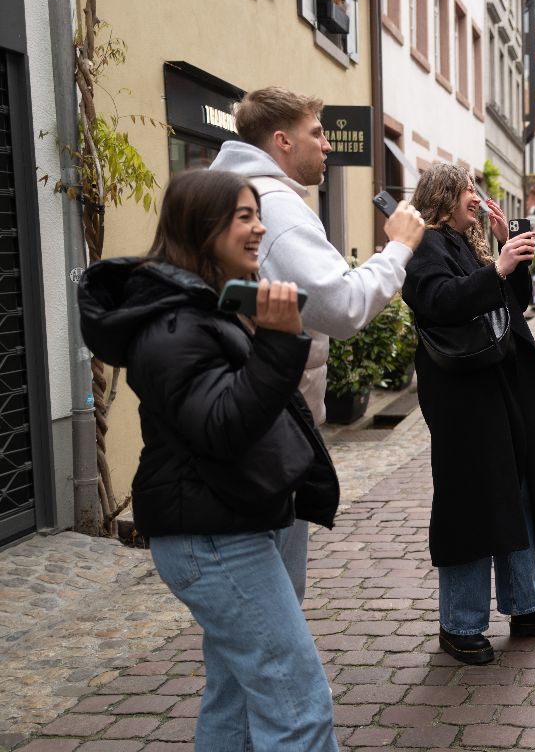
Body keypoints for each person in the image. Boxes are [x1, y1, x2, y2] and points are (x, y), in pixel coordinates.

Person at [77, 169, 340, 751]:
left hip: (225, 521)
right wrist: (278, 340)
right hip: (213, 537)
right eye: (243, 217)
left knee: (240, 696)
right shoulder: (175, 325)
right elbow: (222, 427)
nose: (259, 228)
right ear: (203, 228)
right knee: (298, 705)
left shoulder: (200, 308)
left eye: (257, 214)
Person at [210, 86, 425, 603]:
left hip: (243, 416)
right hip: (269, 428)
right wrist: (398, 248)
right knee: (274, 608)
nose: (328, 145)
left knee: (249, 620)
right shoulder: (276, 206)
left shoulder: (231, 192)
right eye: (318, 133)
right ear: (282, 140)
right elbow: (343, 306)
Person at [402, 162, 535, 665]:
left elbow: (514, 303)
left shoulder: (469, 243)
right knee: (468, 501)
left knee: (513, 489)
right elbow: (436, 301)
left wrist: (510, 252)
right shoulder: (425, 243)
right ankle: (459, 623)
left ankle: (526, 604)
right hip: (460, 391)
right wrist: (496, 268)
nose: (476, 199)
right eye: (467, 191)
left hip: (499, 382)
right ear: (443, 196)